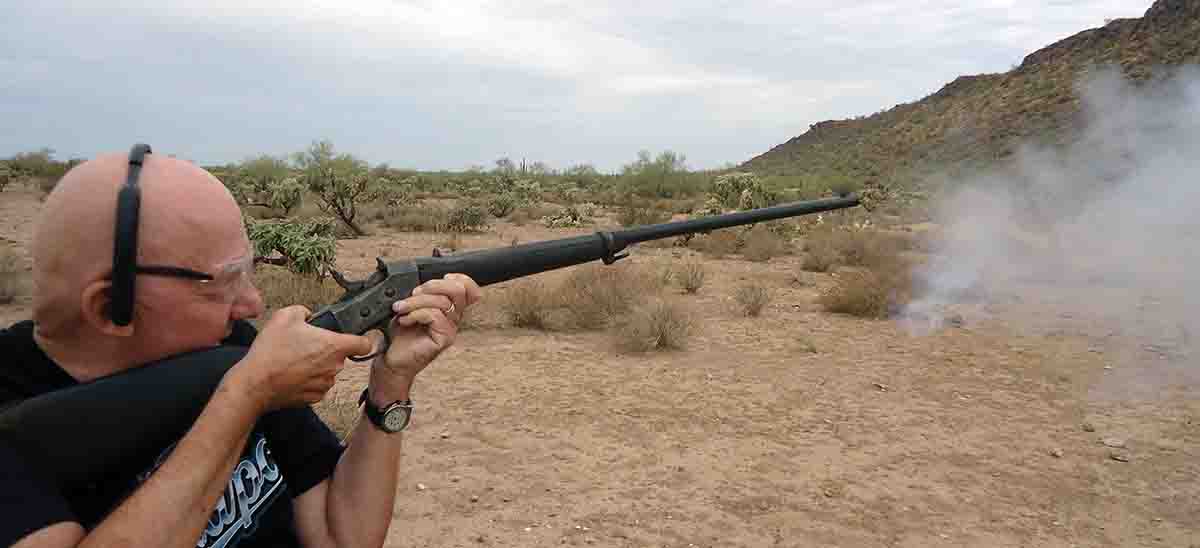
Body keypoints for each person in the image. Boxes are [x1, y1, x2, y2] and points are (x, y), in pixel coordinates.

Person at [0, 149, 481, 548]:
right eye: (225, 281)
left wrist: (390, 385)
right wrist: (243, 396)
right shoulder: (21, 428)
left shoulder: (232, 347)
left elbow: (343, 537)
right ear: (109, 308)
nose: (252, 303)